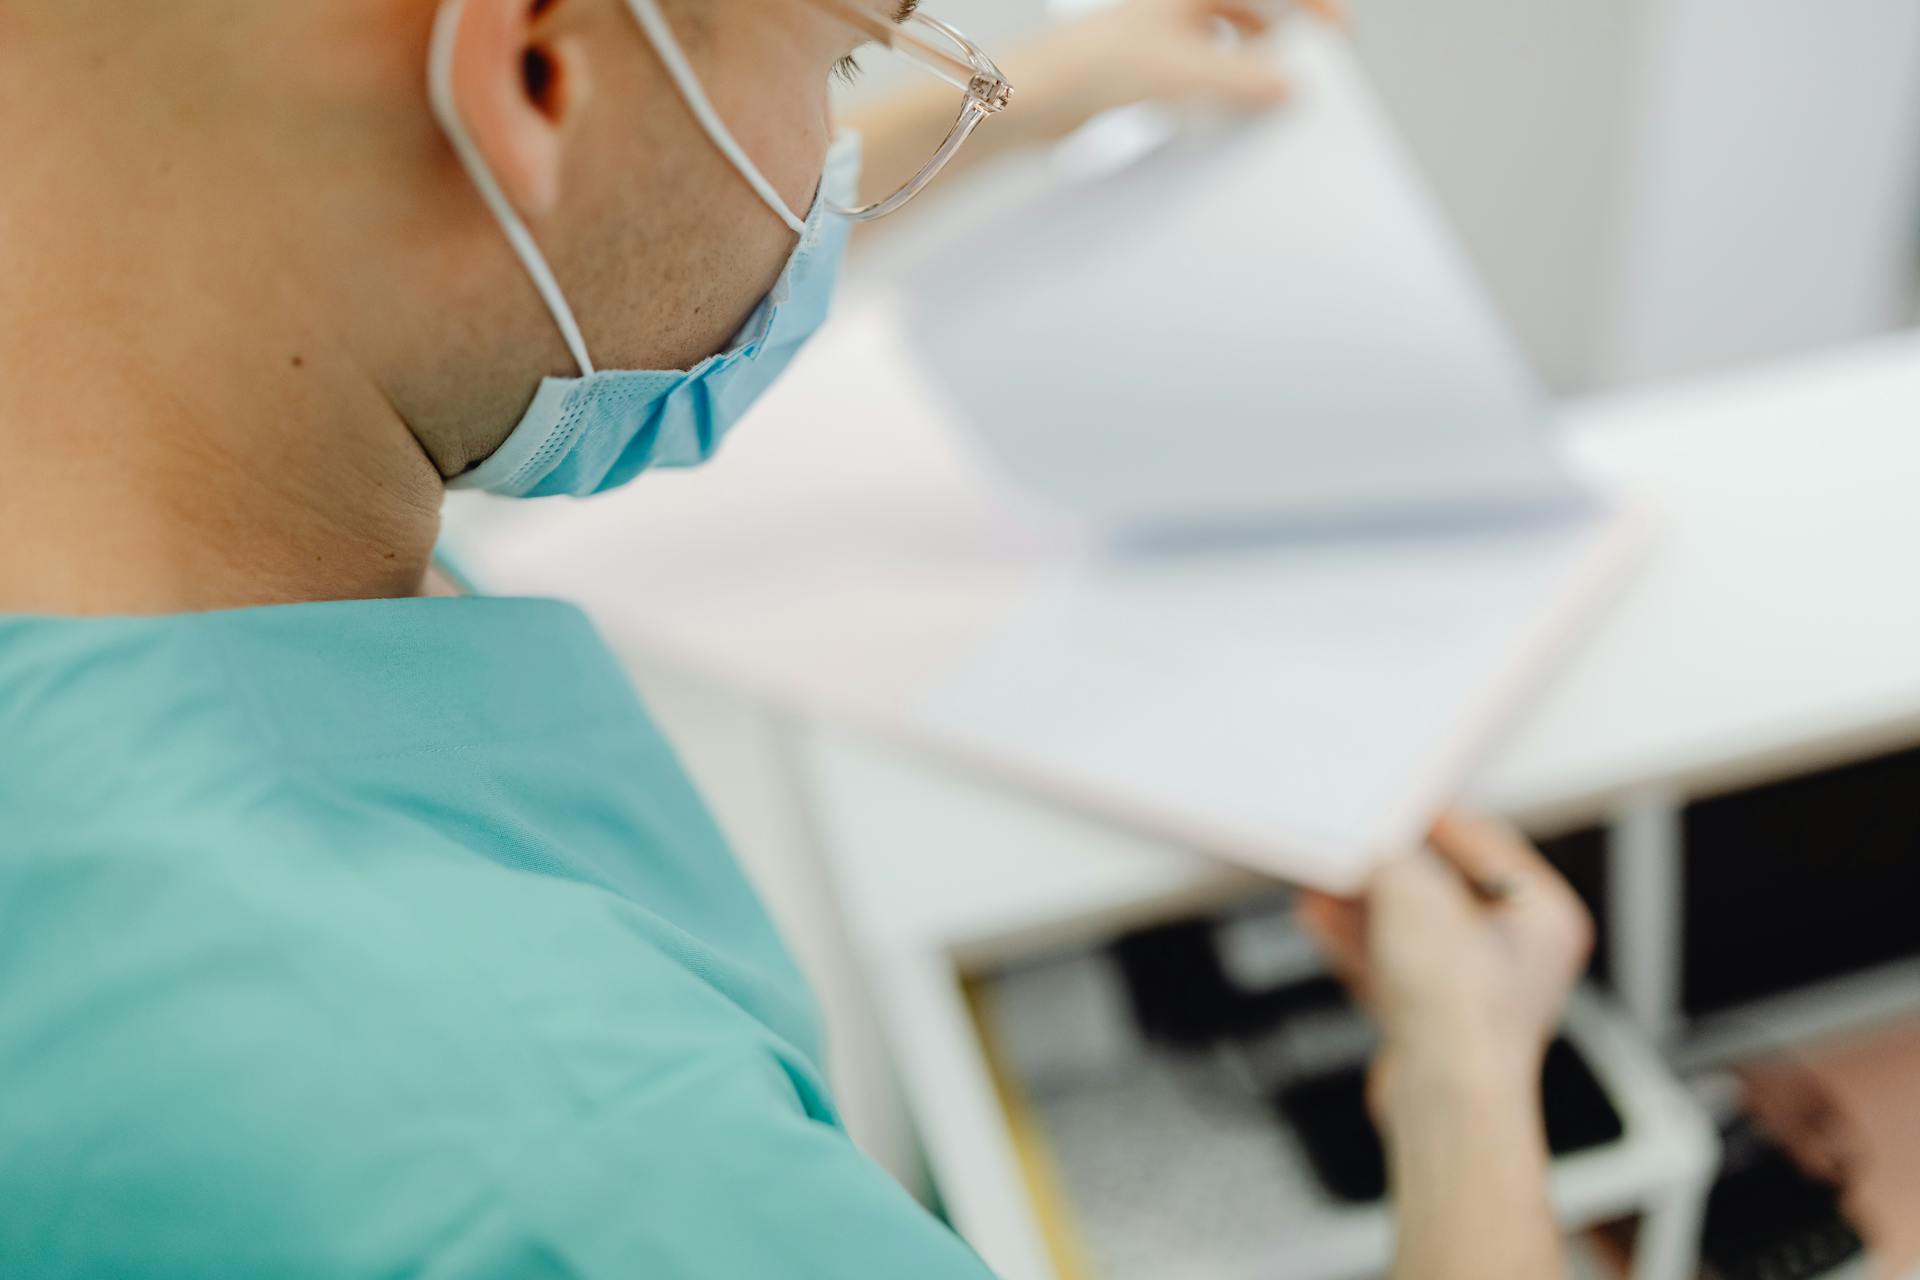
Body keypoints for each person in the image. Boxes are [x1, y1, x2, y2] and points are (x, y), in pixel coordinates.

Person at [0, 0, 1593, 1275]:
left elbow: (479, 233)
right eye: (841, 56)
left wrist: (1051, 88)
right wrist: (1465, 1086)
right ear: (535, 78)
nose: (828, 160)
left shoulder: (137, 405)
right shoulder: (582, 1161)